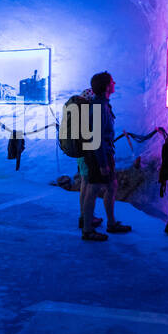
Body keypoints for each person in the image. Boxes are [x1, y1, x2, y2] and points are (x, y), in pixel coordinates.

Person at [80, 71, 131, 242]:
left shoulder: (102, 105)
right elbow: (97, 138)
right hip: (98, 155)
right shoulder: (99, 107)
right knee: (93, 189)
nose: (114, 83)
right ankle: (87, 230)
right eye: (112, 81)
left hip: (101, 153)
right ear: (107, 86)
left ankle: (111, 223)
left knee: (111, 186)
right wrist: (102, 163)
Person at [75, 84, 102, 230]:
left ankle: (84, 215)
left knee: (84, 184)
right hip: (88, 154)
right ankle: (86, 218)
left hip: (81, 153)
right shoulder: (88, 115)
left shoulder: (79, 113)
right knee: (87, 185)